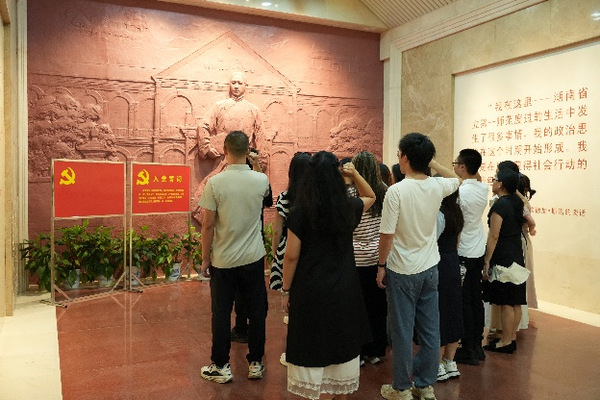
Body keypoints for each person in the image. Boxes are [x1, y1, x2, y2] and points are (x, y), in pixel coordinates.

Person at [281, 151, 375, 400]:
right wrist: (354, 173)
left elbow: (291, 256)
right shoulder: (348, 208)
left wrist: (286, 289)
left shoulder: (300, 212)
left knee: (310, 345)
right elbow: (370, 196)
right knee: (342, 346)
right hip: (345, 287)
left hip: (309, 288)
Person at [377, 133, 460, 400]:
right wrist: (431, 162)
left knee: (402, 331)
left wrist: (381, 265)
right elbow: (457, 178)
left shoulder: (396, 191)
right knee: (430, 329)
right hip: (430, 268)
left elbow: (387, 235)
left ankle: (402, 388)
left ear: (405, 157)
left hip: (401, 269)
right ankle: (425, 385)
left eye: (399, 153)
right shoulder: (437, 186)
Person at [198, 131, 270, 384]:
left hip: (223, 260)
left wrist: (205, 258)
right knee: (257, 312)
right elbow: (266, 197)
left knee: (221, 313)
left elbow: (208, 225)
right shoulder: (261, 180)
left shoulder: (215, 183)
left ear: (225, 151)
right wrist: (256, 164)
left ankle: (220, 365)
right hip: (253, 258)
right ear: (248, 150)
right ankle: (256, 363)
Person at [435, 149, 489, 366]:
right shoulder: (482, 188)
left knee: (464, 301)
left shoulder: (462, 191)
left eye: (456, 163)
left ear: (463, 167)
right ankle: (477, 345)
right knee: (476, 298)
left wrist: (432, 163)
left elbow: (453, 181)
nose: (454, 166)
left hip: (463, 250)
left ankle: (467, 347)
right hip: (477, 250)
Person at [193, 71, 265, 224]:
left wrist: (259, 162)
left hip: (245, 164)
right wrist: (207, 147)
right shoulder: (220, 106)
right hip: (223, 161)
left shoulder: (253, 110)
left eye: (240, 83)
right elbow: (203, 125)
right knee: (209, 198)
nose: (236, 86)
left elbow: (260, 137)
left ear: (245, 86)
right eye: (233, 83)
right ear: (229, 85)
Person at [269, 151, 311, 365]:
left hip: (288, 248)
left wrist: (275, 253)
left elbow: (277, 230)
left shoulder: (284, 197)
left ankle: (294, 351)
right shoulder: (315, 197)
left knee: (291, 299)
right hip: (311, 250)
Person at [350, 151, 389, 366]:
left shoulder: (351, 192)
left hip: (355, 257)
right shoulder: (384, 190)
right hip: (378, 256)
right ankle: (375, 350)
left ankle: (357, 351)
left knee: (357, 306)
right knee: (377, 306)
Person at [482, 169, 527, 353]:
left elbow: (494, 236)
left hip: (504, 256)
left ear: (501, 184)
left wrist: (487, 260)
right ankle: (511, 337)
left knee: (506, 301)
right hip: (516, 254)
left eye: (495, 179)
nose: (492, 182)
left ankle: (506, 341)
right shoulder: (517, 202)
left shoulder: (500, 205)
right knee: (516, 300)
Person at [435, 190, 464, 382]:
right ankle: (450, 362)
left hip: (439, 262)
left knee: (438, 312)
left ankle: (437, 364)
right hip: (453, 261)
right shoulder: (457, 212)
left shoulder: (438, 214)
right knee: (454, 311)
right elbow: (458, 241)